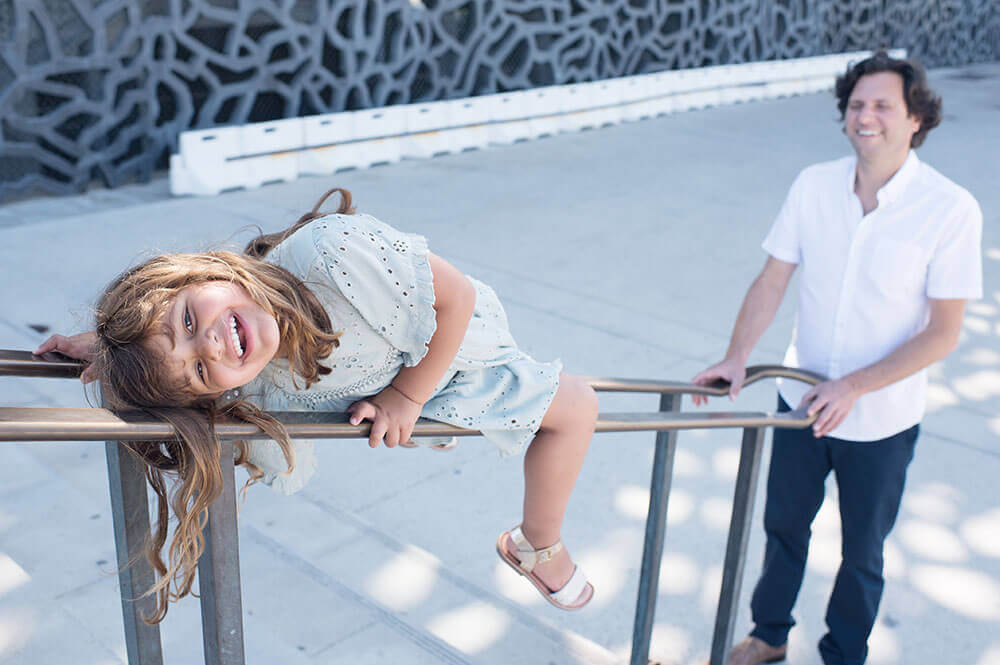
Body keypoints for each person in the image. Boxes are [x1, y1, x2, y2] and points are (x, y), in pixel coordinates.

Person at [37, 187, 598, 622]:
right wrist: (112, 351)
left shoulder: (334, 255)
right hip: (394, 379)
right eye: (198, 371)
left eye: (187, 319)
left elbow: (458, 296)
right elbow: (177, 357)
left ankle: (537, 543)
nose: (206, 344)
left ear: (206, 270)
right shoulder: (252, 377)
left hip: (449, 348)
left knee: (578, 406)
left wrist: (406, 396)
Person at [692, 52, 982, 665]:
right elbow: (773, 278)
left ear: (915, 119)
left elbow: (943, 333)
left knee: (863, 552)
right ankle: (769, 636)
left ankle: (843, 655)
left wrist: (853, 386)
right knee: (783, 531)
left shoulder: (950, 208)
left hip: (880, 419)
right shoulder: (814, 184)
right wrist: (738, 356)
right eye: (856, 105)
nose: (865, 116)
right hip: (799, 399)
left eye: (882, 105)